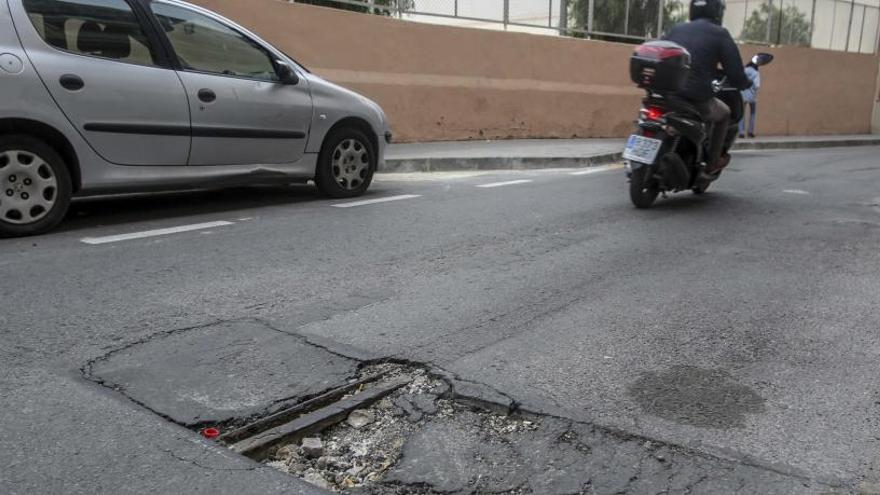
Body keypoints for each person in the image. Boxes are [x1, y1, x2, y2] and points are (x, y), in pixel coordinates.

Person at [663, 0, 751, 175]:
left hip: (664, 93)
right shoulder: (720, 34)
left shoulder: (676, 29)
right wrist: (744, 83)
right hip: (694, 97)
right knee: (724, 113)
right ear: (717, 12)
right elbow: (735, 71)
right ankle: (712, 163)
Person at [739, 57, 761, 138]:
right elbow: (757, 86)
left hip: (742, 95)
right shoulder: (756, 73)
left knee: (741, 114)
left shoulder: (744, 71)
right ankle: (750, 131)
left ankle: (741, 132)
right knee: (753, 113)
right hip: (752, 96)